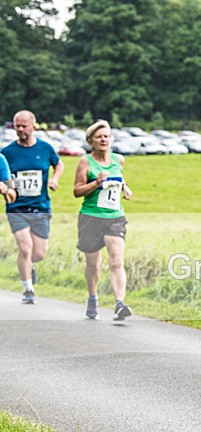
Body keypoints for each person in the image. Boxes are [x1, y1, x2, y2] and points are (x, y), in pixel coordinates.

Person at [72, 120, 133, 321]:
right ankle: (92, 297)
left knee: (117, 260)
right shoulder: (85, 162)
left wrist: (124, 187)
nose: (104, 139)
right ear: (91, 142)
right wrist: (96, 183)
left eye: (106, 136)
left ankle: (119, 303)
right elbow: (76, 191)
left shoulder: (119, 159)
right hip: (91, 217)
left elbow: (118, 177)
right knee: (93, 265)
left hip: (114, 217)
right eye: (99, 137)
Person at [1, 110, 64, 304]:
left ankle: (28, 267)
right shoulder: (7, 153)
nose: (20, 129)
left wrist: (54, 179)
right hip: (17, 208)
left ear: (33, 126)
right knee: (25, 248)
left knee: (38, 254)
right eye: (16, 126)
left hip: (41, 206)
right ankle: (28, 289)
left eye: (23, 126)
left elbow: (59, 164)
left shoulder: (45, 148)